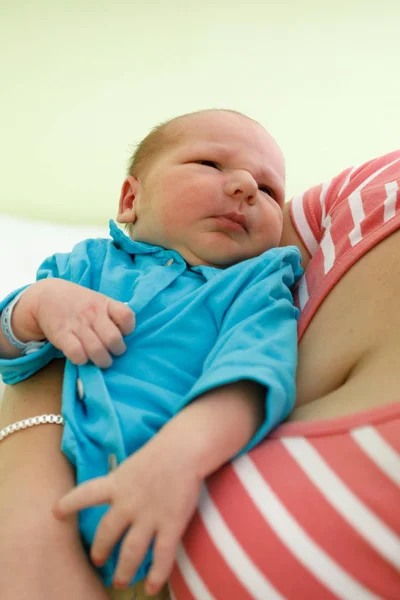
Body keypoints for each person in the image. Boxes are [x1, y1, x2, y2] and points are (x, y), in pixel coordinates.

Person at [1, 141, 399, 599]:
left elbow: (251, 377)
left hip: (148, 512)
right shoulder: (87, 261)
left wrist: (179, 458)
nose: (247, 186)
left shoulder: (253, 286)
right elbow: (11, 347)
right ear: (131, 201)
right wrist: (38, 304)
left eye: (270, 190)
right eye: (209, 163)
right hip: (44, 487)